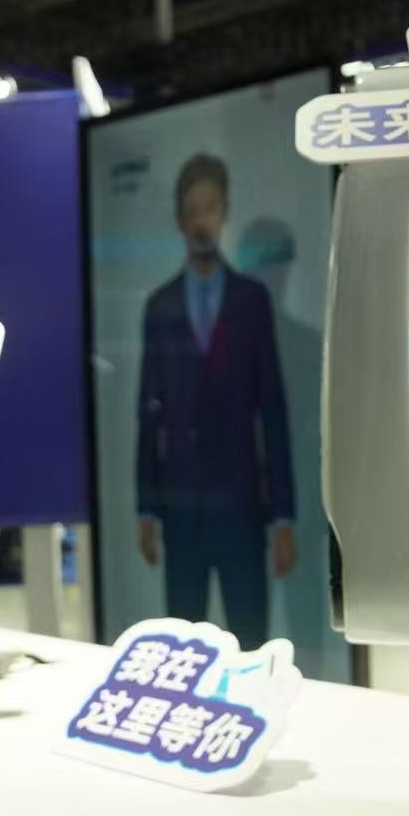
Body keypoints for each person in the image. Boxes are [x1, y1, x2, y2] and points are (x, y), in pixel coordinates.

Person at [135, 153, 295, 650]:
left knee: (251, 640)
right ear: (180, 220)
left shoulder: (251, 301)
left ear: (224, 211)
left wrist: (283, 517)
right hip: (181, 509)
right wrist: (146, 508)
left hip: (243, 509)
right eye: (192, 210)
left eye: (210, 208)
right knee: (184, 648)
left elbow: (272, 410)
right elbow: (148, 416)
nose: (201, 221)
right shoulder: (159, 307)